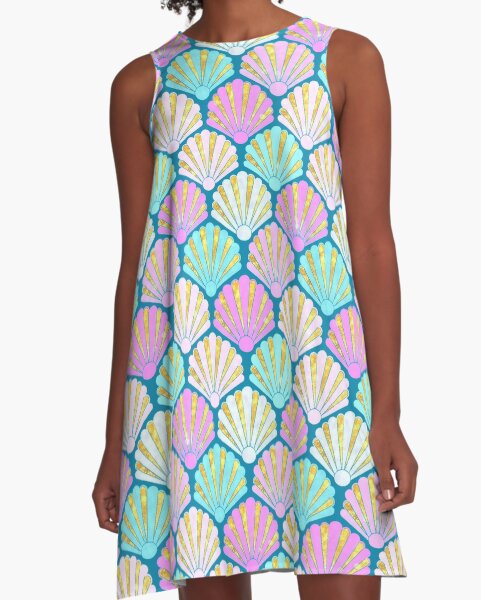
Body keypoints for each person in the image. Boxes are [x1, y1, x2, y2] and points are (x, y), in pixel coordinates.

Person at [93, 1, 418, 599]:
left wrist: (387, 415)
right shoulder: (144, 85)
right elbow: (136, 276)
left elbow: (373, 244)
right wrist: (117, 442)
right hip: (194, 387)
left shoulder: (345, 59)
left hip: (323, 379)